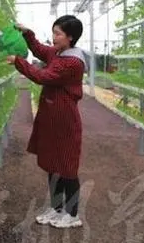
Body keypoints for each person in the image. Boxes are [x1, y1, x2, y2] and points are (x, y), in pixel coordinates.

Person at [5, 15, 89, 229]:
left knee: (67, 167)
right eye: (53, 32)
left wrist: (19, 62)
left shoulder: (72, 61)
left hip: (64, 121)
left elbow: (44, 76)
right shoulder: (59, 53)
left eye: (58, 33)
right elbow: (41, 50)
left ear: (70, 37)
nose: (53, 37)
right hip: (52, 118)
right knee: (53, 163)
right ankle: (57, 208)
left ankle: (72, 215)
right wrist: (27, 33)